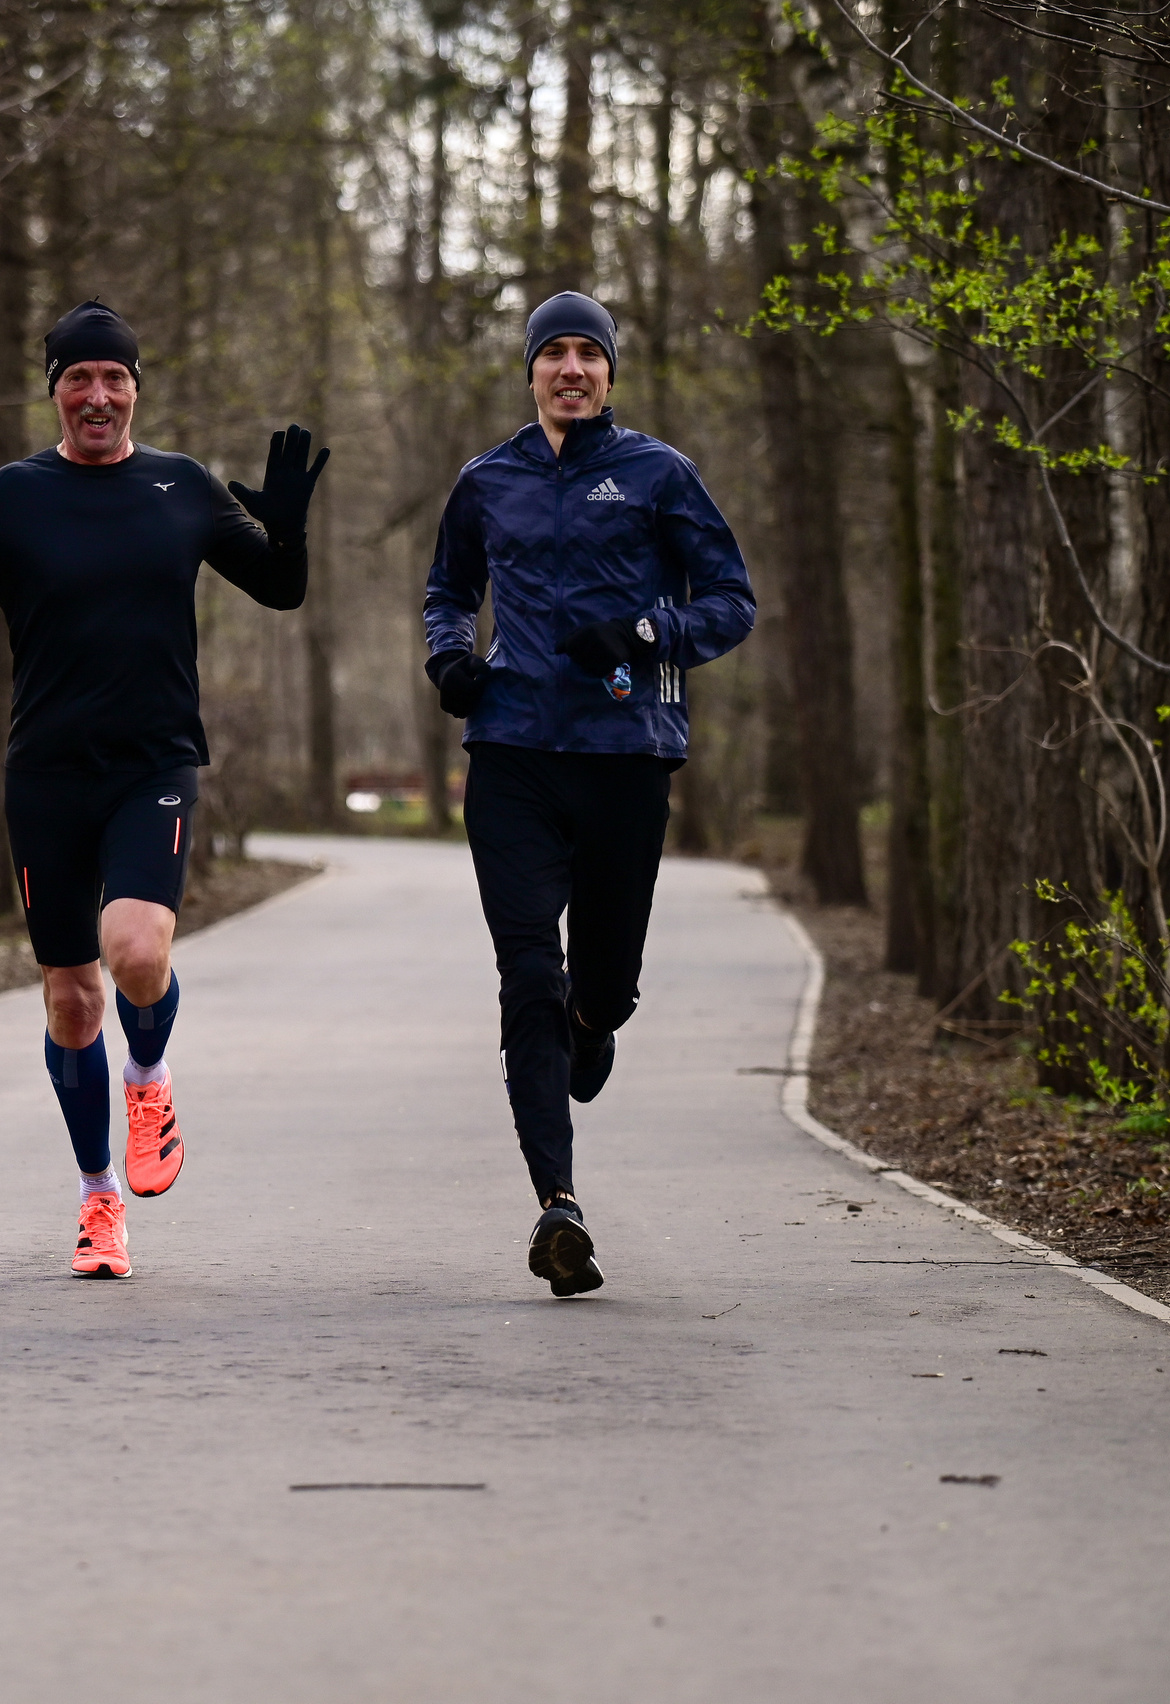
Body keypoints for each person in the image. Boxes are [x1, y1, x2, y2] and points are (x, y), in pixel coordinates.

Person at [0, 301, 326, 1279]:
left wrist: (287, 532)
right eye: (76, 378)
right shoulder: (10, 495)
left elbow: (280, 589)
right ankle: (98, 1200)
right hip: (44, 773)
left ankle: (150, 1077)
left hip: (152, 761)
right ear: (54, 390)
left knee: (134, 951)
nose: (96, 394)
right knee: (70, 998)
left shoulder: (180, 487)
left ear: (134, 388)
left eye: (112, 377)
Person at [423, 292, 756, 1296]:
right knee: (526, 973)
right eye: (553, 354)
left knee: (597, 983)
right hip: (514, 753)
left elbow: (731, 601)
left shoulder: (658, 475)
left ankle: (594, 1017)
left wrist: (650, 637)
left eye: (588, 354)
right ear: (529, 371)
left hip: (626, 751)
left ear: (609, 373)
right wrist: (450, 658)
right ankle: (557, 1206)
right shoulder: (488, 480)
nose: (571, 369)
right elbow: (448, 588)